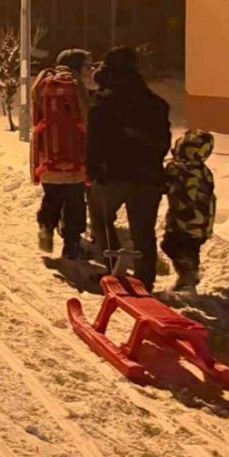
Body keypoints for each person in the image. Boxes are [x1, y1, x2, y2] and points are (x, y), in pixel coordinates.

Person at [86, 46, 172, 292]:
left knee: (102, 220)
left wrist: (93, 170)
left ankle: (112, 270)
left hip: (111, 176)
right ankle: (145, 280)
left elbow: (94, 142)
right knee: (143, 230)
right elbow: (162, 142)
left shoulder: (102, 102)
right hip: (148, 177)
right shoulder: (156, 104)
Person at [32, 49, 93, 259]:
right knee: (75, 200)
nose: (89, 70)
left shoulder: (42, 83)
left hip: (48, 153)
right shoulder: (75, 86)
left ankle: (46, 227)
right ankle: (71, 244)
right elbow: (86, 117)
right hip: (74, 154)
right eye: (87, 66)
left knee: (53, 195)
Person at [162, 129, 216, 292]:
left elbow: (165, 186)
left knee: (171, 245)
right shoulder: (202, 169)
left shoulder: (179, 169)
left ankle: (187, 277)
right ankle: (190, 274)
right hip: (202, 222)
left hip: (184, 220)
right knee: (191, 248)